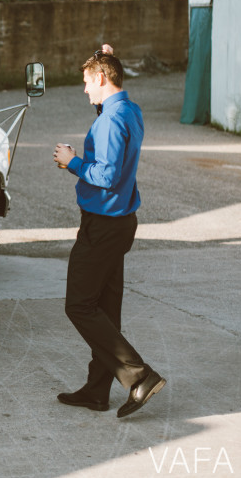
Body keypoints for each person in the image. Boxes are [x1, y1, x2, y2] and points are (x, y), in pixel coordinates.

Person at [52, 51, 165, 418]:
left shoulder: (111, 120)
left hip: (102, 225)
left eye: (87, 82)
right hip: (118, 222)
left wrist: (73, 162)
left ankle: (139, 376)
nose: (85, 90)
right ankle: (97, 390)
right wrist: (106, 57)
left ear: (101, 78)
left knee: (80, 305)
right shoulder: (127, 109)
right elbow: (110, 135)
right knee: (105, 308)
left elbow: (107, 175)